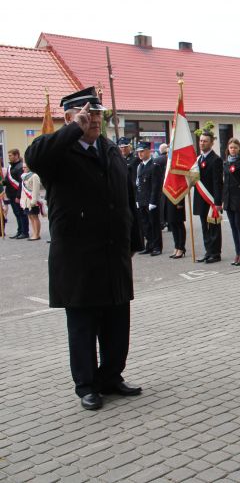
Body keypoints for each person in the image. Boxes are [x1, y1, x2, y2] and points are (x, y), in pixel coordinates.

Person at [25, 87, 143, 411]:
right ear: (70, 118)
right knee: (83, 326)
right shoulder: (57, 154)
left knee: (117, 323)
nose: (94, 120)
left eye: (98, 114)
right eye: (88, 115)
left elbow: (127, 197)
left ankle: (111, 376)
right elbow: (33, 157)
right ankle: (87, 385)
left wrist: (135, 241)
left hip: (113, 254)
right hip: (79, 258)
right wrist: (72, 130)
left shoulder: (110, 149)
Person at [193, 131, 223, 263]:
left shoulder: (216, 159)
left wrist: (218, 202)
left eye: (205, 141)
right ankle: (208, 251)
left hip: (211, 199)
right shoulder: (198, 159)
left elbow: (217, 182)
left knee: (214, 227)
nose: (202, 143)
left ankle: (215, 253)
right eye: (201, 141)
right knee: (204, 227)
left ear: (211, 143)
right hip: (200, 198)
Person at [222, 138, 240, 266]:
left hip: (238, 199)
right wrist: (223, 200)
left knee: (239, 225)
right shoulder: (226, 163)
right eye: (231, 148)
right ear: (228, 149)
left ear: (239, 148)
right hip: (228, 199)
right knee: (233, 227)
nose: (233, 150)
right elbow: (225, 183)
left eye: (235, 147)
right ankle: (237, 253)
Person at [134, 142, 163, 256]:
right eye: (138, 152)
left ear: (148, 151)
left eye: (142, 151)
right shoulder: (140, 166)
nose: (140, 154)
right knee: (145, 225)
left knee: (154, 224)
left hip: (151, 201)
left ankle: (157, 247)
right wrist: (137, 199)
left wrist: (153, 201)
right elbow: (138, 184)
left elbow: (156, 186)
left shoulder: (154, 165)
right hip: (142, 200)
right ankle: (149, 245)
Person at [4, 149, 29, 239]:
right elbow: (7, 180)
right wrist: (3, 182)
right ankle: (19, 231)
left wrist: (18, 196)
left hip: (18, 194)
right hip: (11, 194)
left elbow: (21, 183)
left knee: (21, 213)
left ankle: (25, 232)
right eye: (9, 155)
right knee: (16, 213)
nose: (9, 157)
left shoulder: (20, 167)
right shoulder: (10, 167)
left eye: (10, 155)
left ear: (16, 155)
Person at [20, 162, 43, 241]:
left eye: (25, 167)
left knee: (35, 217)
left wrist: (34, 201)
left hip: (32, 200)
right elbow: (23, 190)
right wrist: (22, 200)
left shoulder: (34, 176)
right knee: (30, 217)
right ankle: (34, 233)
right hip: (26, 201)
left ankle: (37, 234)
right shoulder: (23, 176)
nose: (23, 169)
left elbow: (36, 189)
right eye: (23, 167)